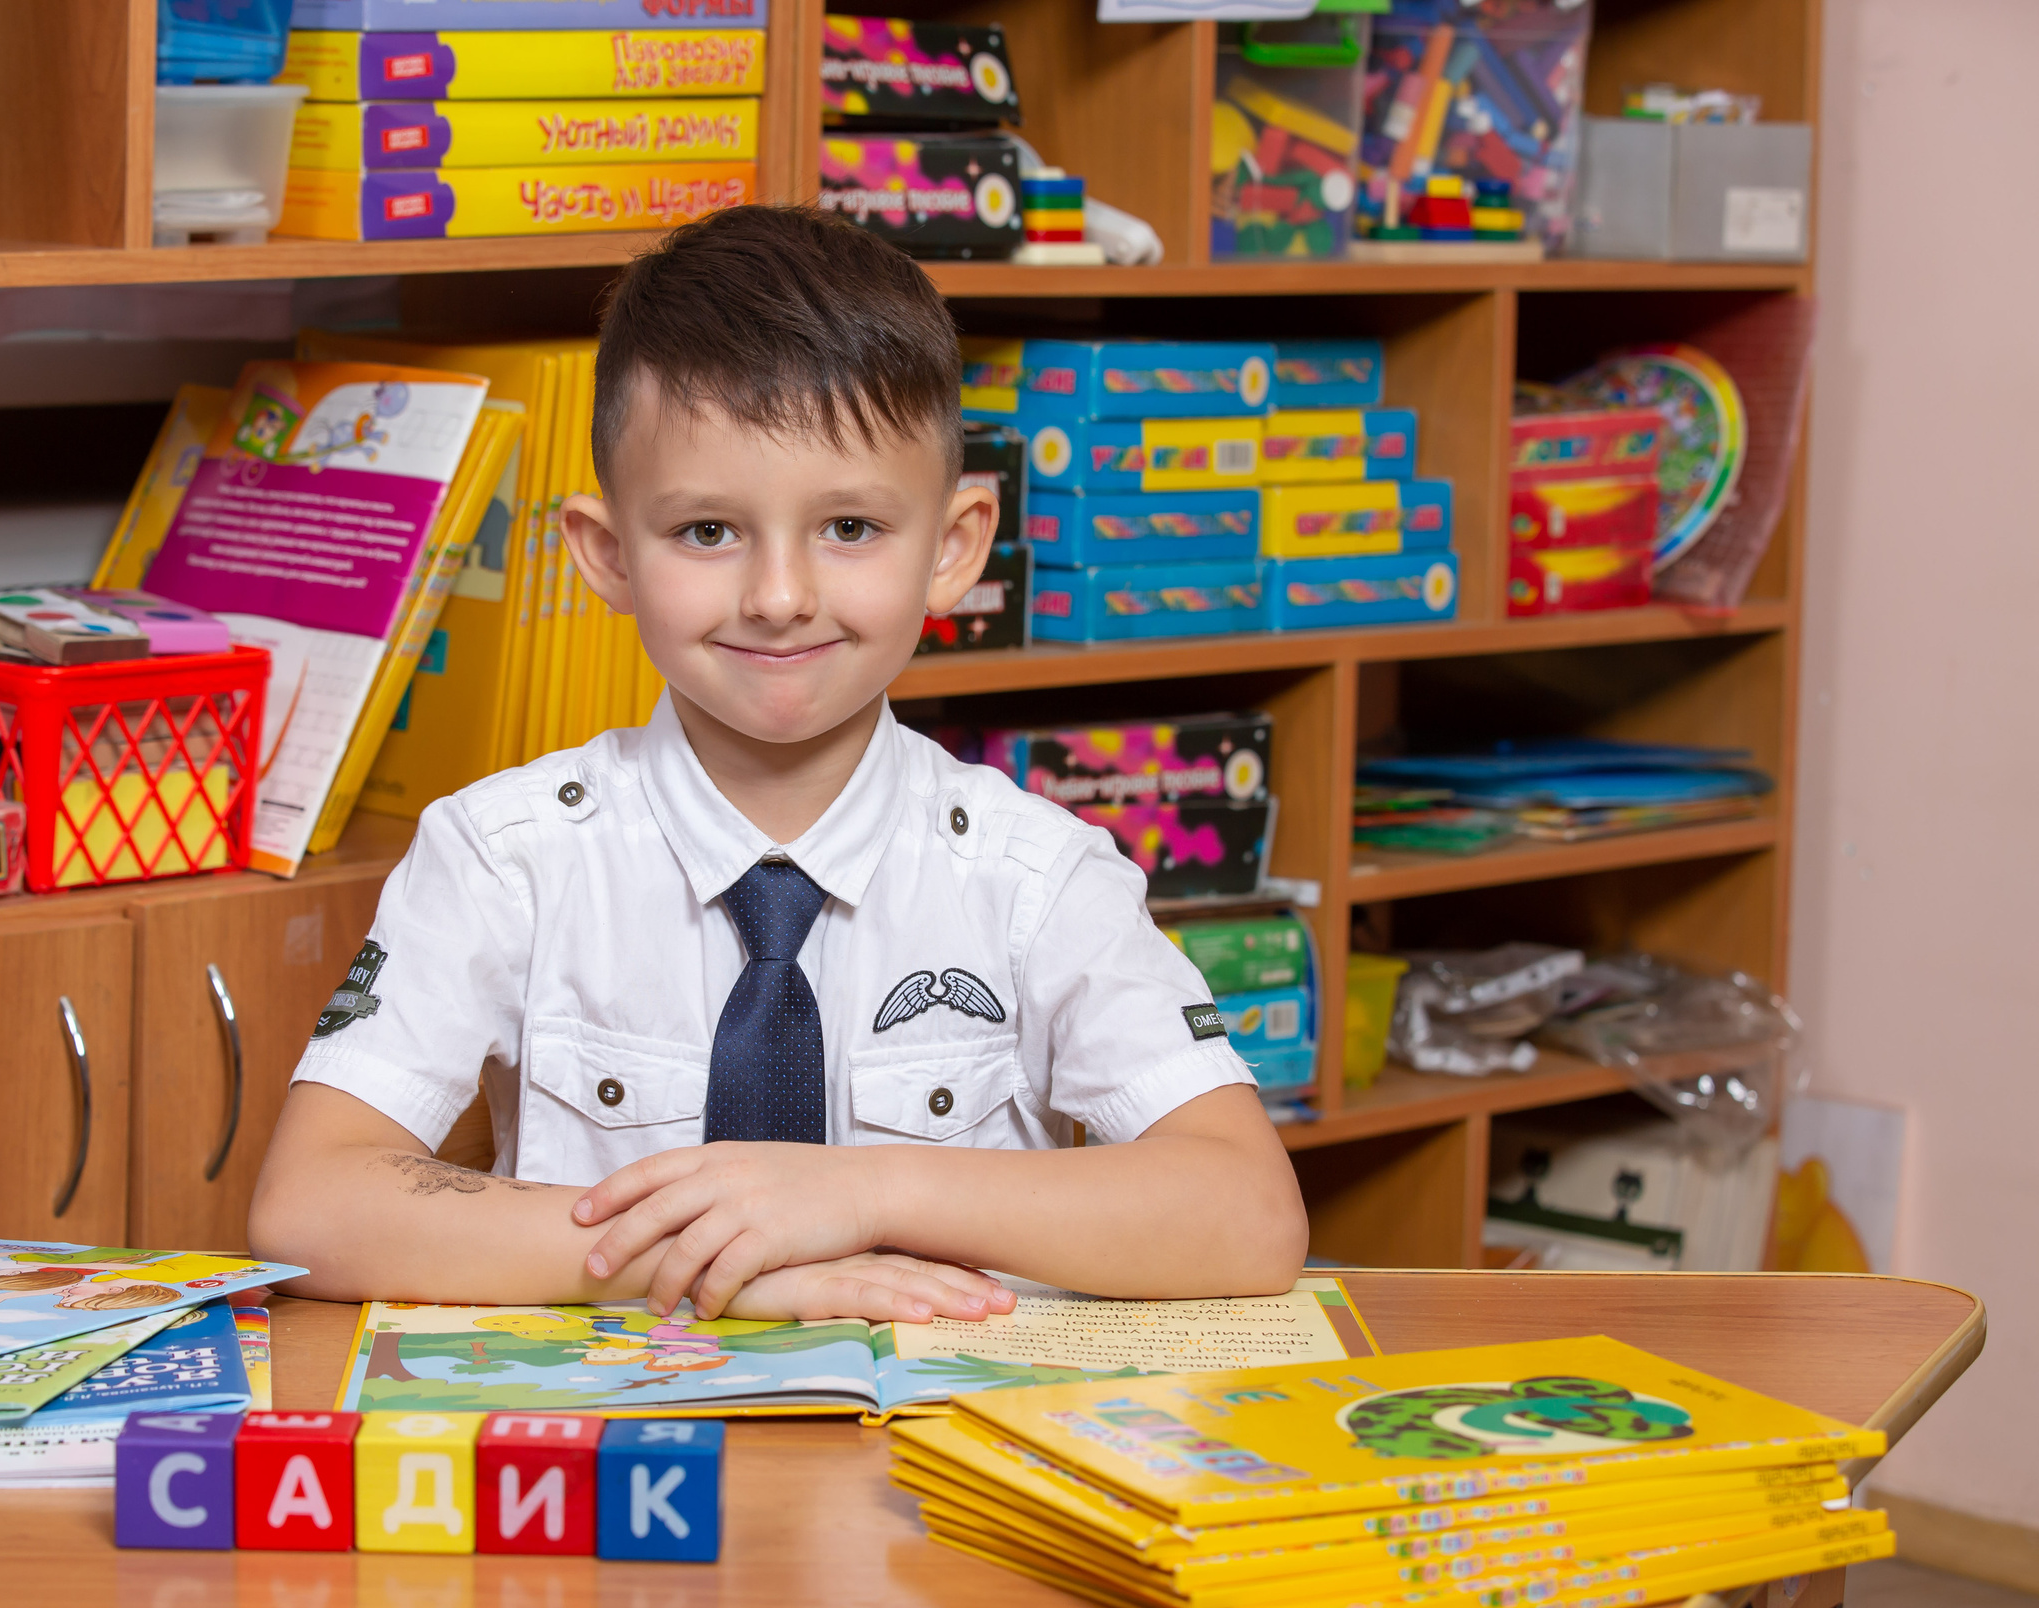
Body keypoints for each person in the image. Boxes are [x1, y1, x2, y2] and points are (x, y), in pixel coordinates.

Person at [249, 205, 1308, 1324]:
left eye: (849, 527)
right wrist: (721, 1266)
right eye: (708, 532)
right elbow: (310, 1203)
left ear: (952, 550)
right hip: (635, 1452)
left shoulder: (1036, 875)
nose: (779, 595)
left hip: (942, 1470)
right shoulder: (506, 854)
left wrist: (856, 1190)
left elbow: (1246, 1210)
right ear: (607, 555)